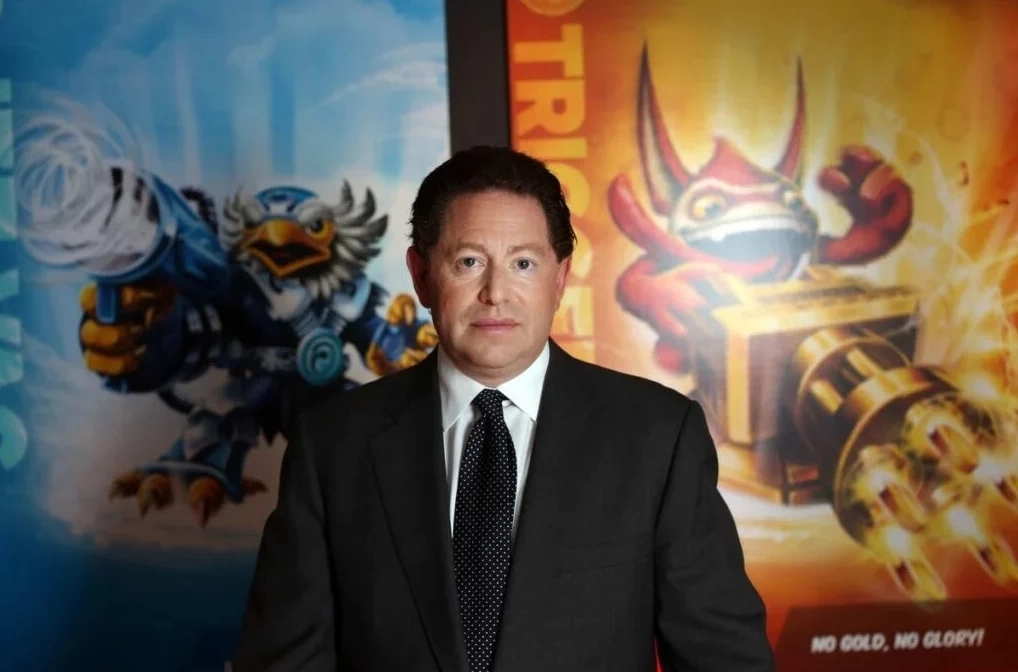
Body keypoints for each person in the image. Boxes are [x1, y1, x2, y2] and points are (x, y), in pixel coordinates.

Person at [231, 146, 775, 671]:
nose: (496, 292)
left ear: (560, 278)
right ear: (421, 275)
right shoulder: (331, 446)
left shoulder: (657, 437)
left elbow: (723, 658)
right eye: (468, 262)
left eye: (523, 263)